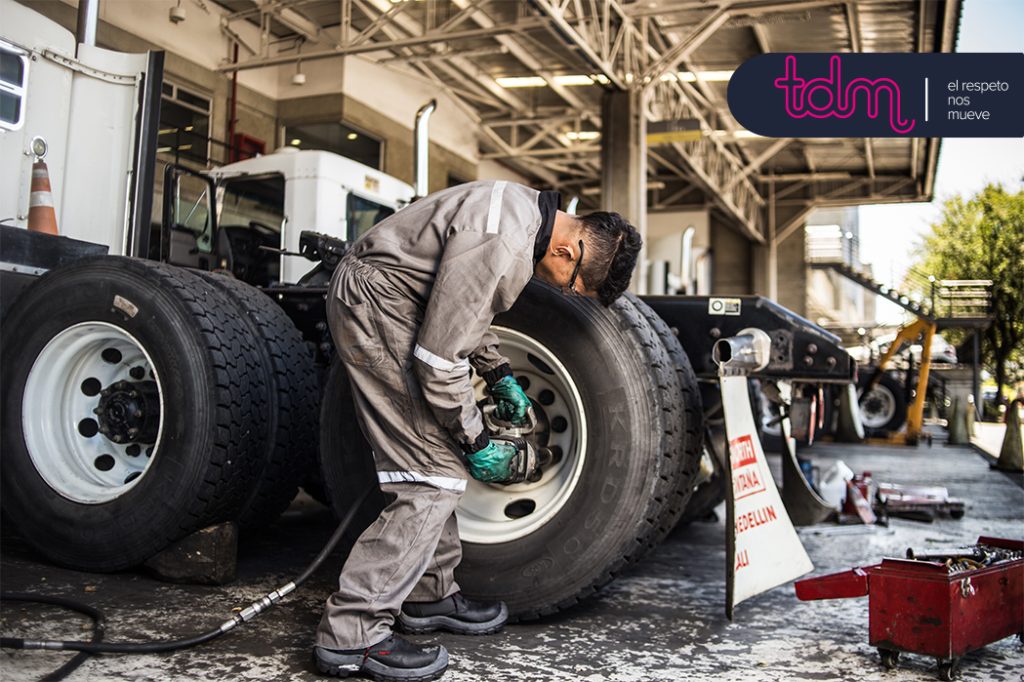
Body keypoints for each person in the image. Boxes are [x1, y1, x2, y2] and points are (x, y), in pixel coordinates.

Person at [314, 180, 641, 681]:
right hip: (376, 304)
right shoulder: (504, 240)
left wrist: (498, 373)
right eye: (574, 283)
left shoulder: (523, 216)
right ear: (567, 249)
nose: (564, 291)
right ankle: (352, 634)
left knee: (437, 464)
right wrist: (478, 440)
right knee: (432, 476)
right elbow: (438, 359)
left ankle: (428, 596)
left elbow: (461, 303)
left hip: (400, 299)